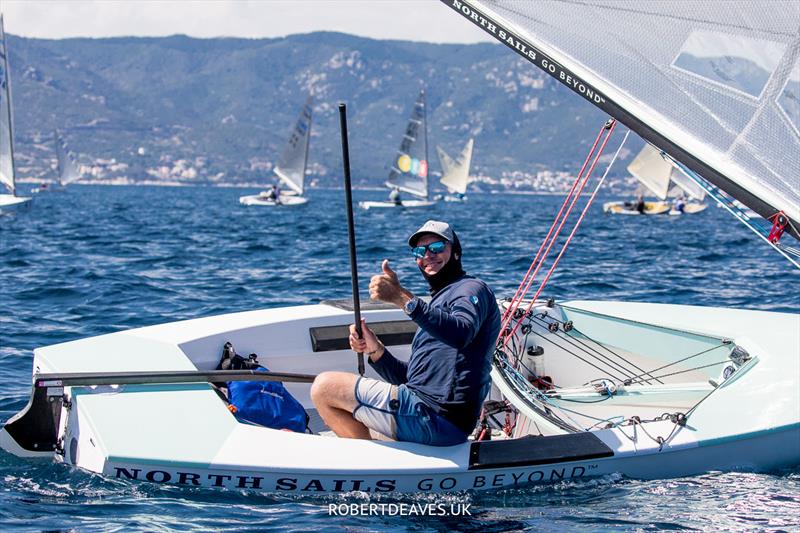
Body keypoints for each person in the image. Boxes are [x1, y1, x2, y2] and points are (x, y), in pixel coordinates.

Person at [310, 220, 501, 446]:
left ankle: (367, 470)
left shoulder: (470, 288)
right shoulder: (439, 302)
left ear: (456, 253)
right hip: (426, 413)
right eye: (420, 250)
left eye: (437, 247)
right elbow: (412, 381)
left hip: (436, 419)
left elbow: (462, 333)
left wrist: (400, 297)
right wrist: (376, 351)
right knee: (348, 418)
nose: (428, 255)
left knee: (325, 387)